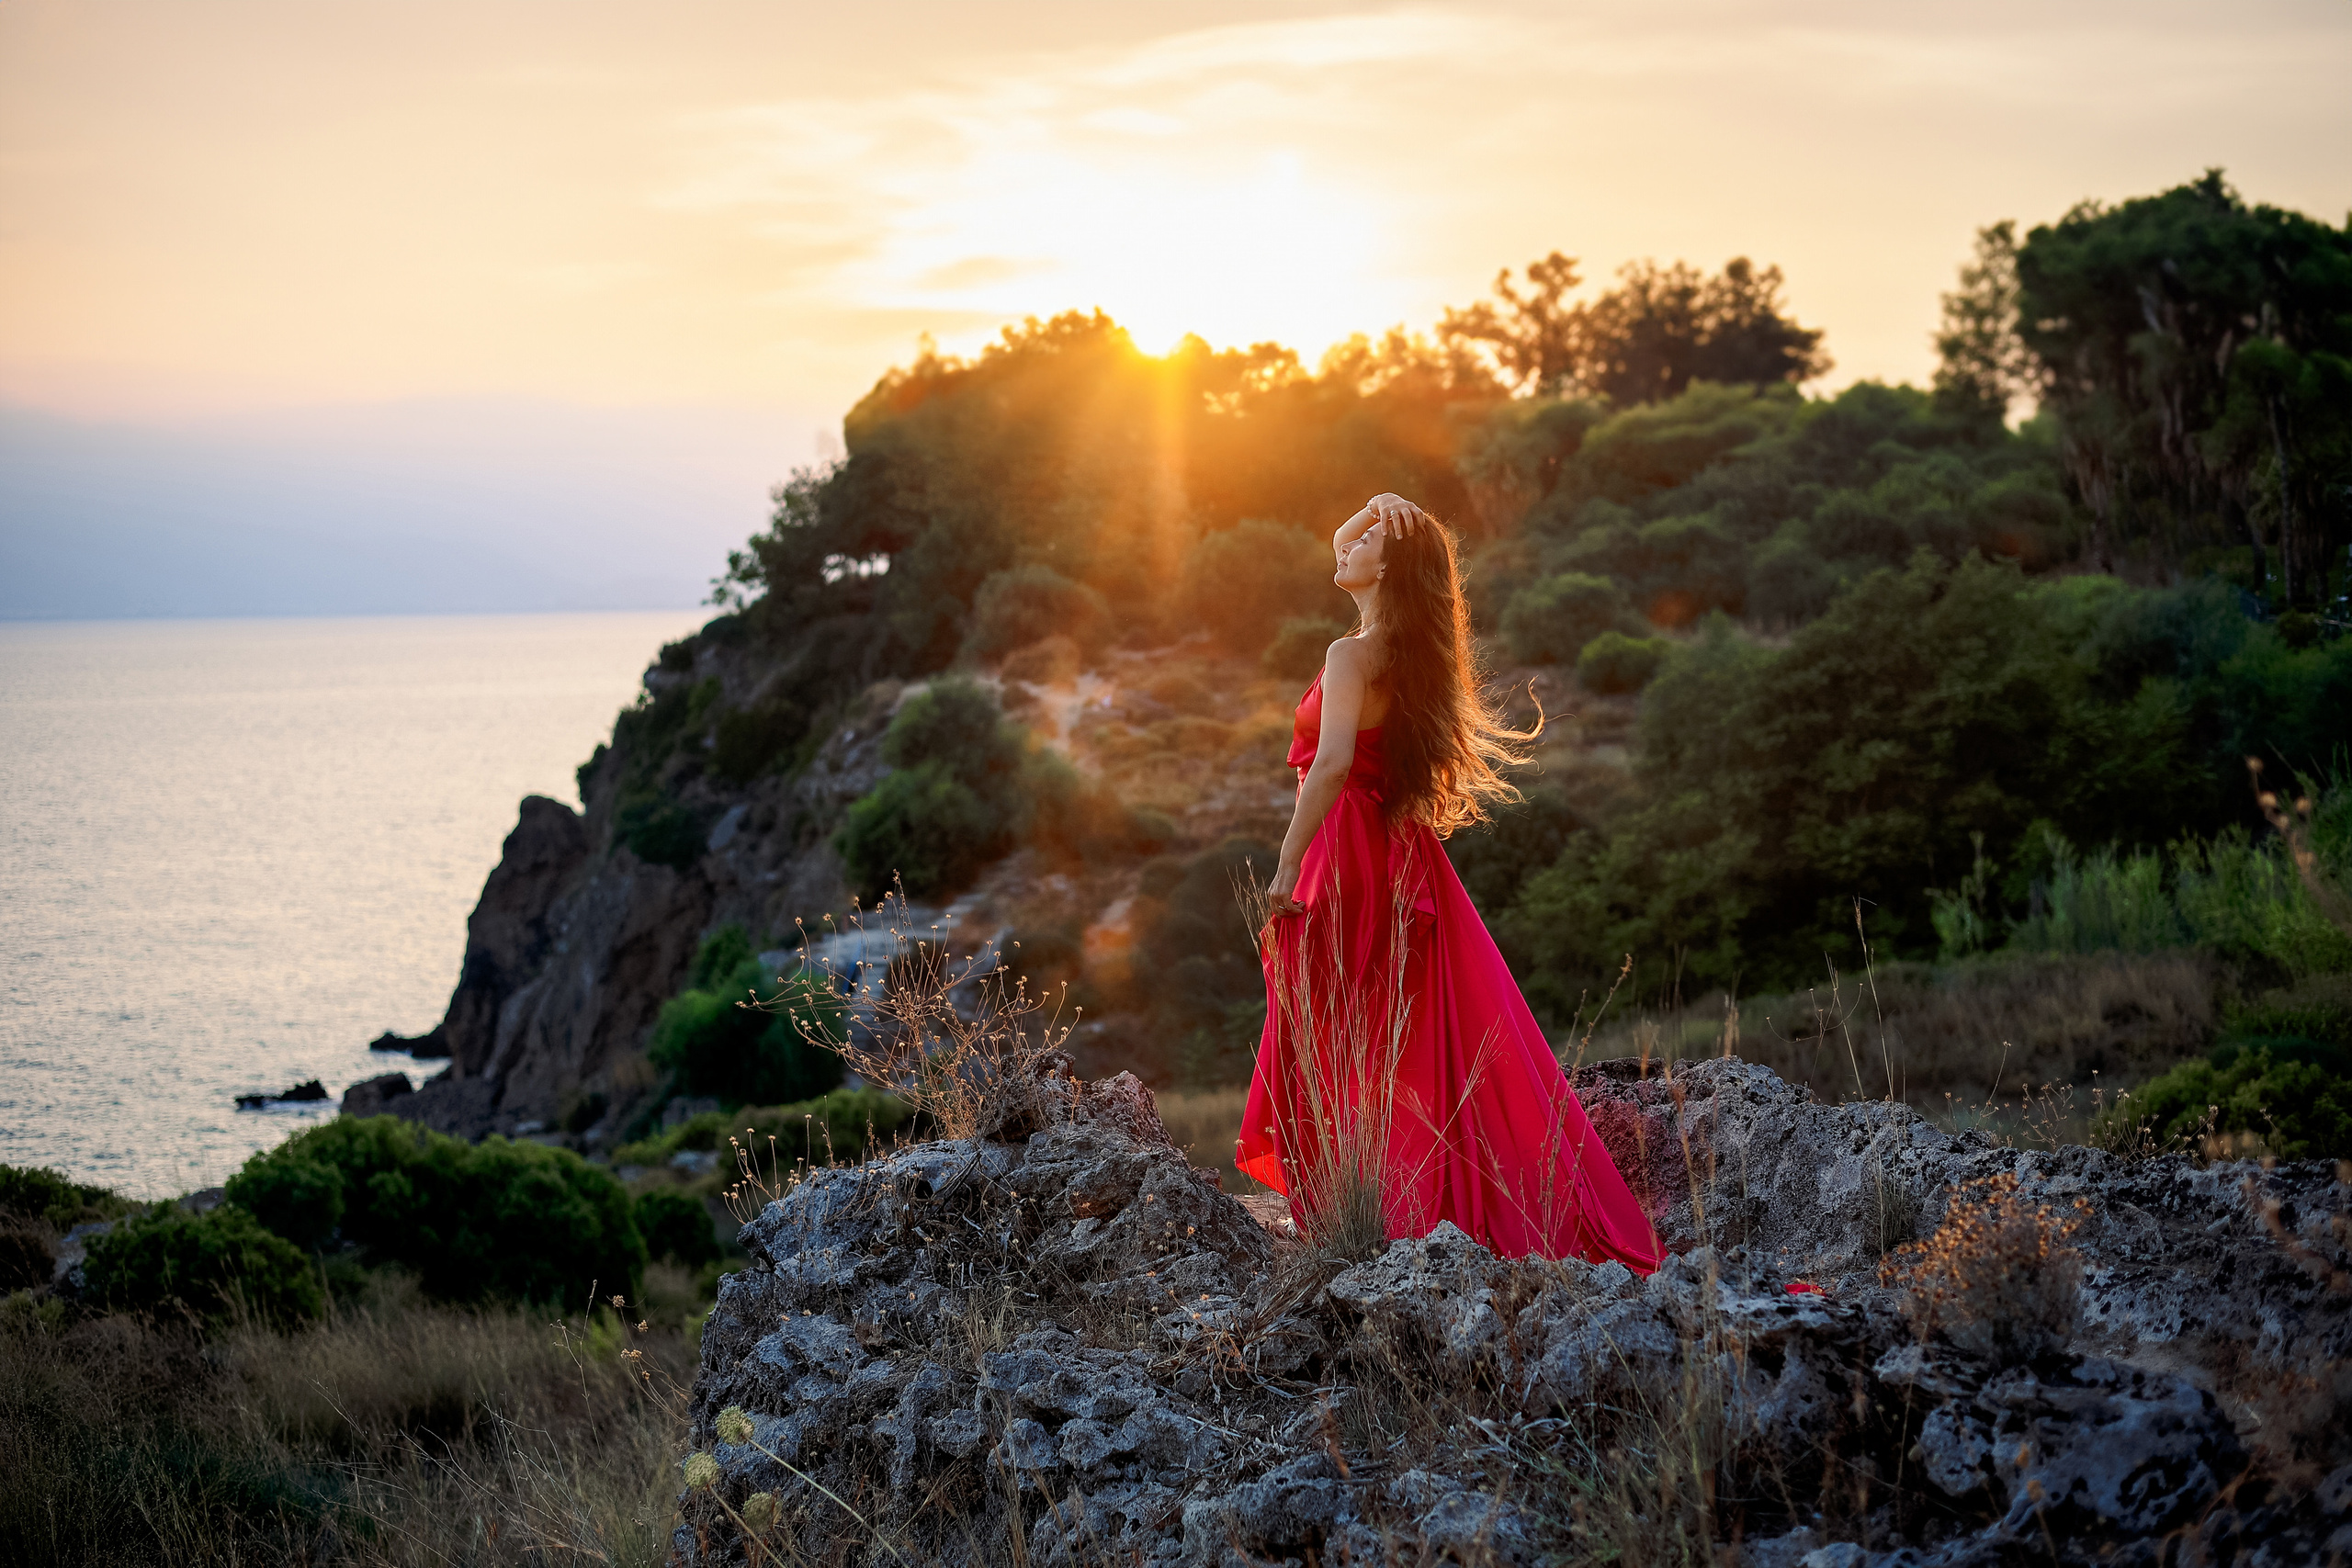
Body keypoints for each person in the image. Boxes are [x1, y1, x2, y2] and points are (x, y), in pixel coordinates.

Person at [1237, 492, 1662, 1269]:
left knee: (1336, 1030)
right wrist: (1376, 506)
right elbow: (1337, 542)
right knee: (1398, 1035)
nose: (1348, 543)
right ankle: (1384, 1200)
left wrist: (1287, 862)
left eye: (1369, 538)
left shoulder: (1348, 654)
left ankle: (1360, 1205)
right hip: (1391, 852)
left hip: (1341, 850)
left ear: (1388, 567)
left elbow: (1330, 765)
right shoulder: (1397, 652)